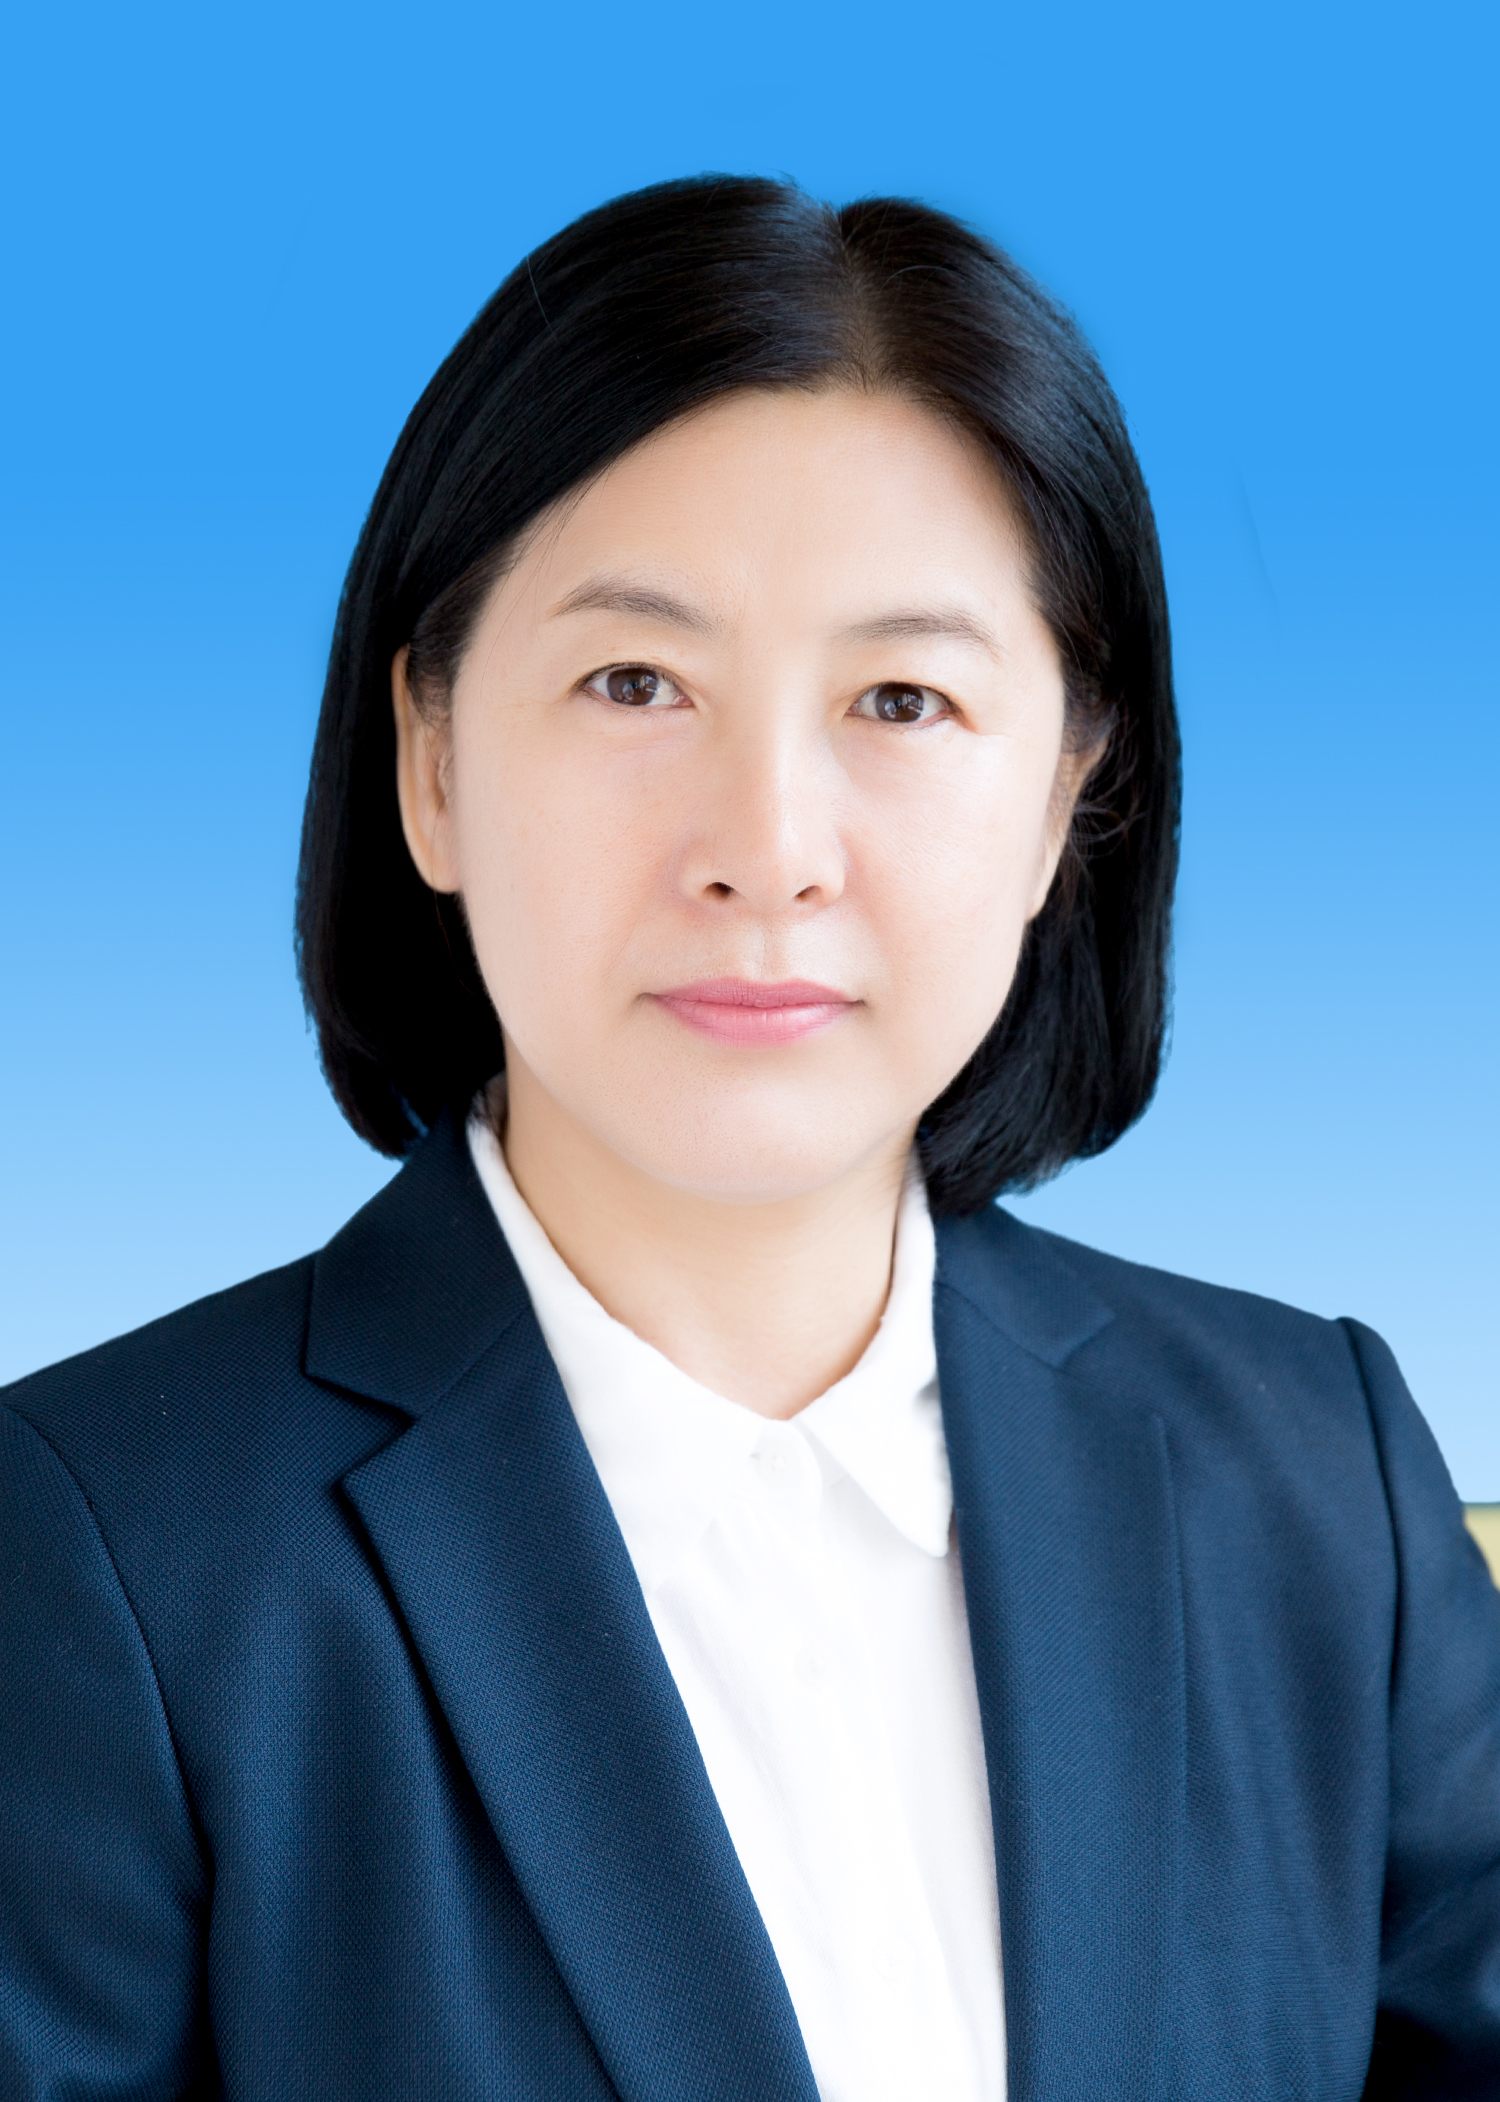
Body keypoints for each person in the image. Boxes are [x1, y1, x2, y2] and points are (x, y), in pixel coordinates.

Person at [1, 176, 1496, 2102]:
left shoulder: (1323, 1484)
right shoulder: (110, 1553)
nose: (768, 849)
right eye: (636, 683)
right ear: (432, 761)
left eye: (903, 697)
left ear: (1065, 798)